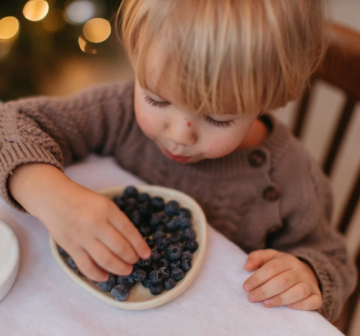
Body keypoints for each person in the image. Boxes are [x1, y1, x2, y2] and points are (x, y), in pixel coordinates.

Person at [0, 0, 356, 322]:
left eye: (217, 119)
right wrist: (52, 195)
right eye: (156, 99)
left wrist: (308, 273)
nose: (179, 135)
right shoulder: (117, 112)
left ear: (271, 98)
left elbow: (336, 262)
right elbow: (9, 123)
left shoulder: (290, 180)